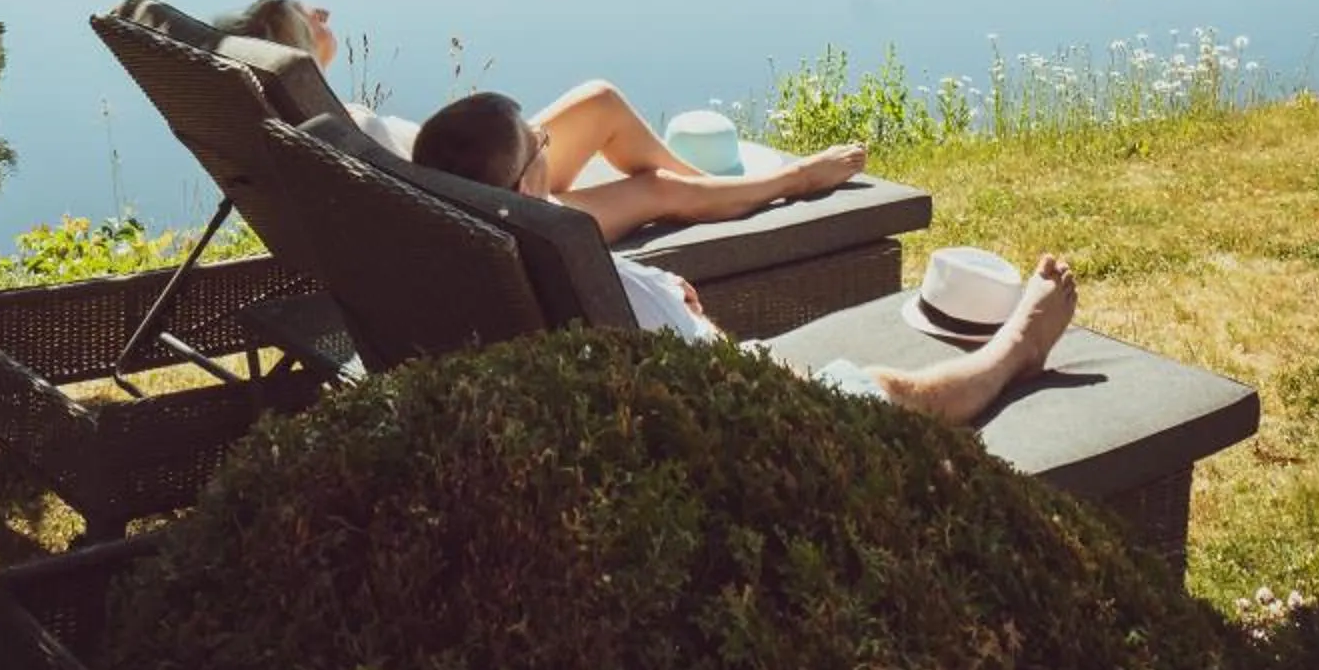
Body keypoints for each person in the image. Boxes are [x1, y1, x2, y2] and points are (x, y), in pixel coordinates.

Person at [410, 86, 1077, 426]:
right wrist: (668, 304)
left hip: (670, 333)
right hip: (744, 400)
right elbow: (704, 384)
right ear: (526, 188)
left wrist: (659, 289)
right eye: (541, 143)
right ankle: (1016, 349)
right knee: (887, 394)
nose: (549, 140)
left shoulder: (462, 252)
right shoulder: (580, 272)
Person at [221, 0, 868, 241]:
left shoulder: (319, 117)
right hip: (498, 216)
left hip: (491, 176)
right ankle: (789, 181)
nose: (324, 12)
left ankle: (718, 191)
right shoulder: (334, 132)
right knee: (655, 190)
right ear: (296, 48)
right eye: (308, 16)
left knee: (600, 99)